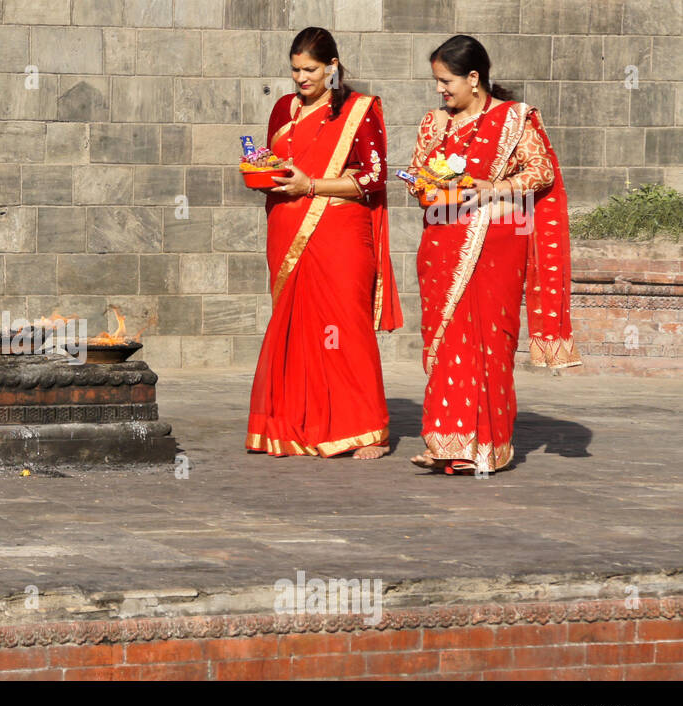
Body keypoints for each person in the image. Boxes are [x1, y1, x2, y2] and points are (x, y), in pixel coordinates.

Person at [405, 34, 581, 475]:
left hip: (496, 244)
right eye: (437, 82)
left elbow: (540, 173)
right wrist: (428, 184)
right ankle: (445, 441)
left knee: (488, 343)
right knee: (447, 346)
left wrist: (494, 187)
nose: (441, 90)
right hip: (442, 246)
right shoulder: (434, 123)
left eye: (447, 81)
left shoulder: (515, 119)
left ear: (473, 77)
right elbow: (416, 177)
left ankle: (483, 447)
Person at [245, 27, 402, 460]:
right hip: (287, 226)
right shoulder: (283, 109)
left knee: (343, 327)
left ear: (332, 66)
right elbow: (275, 163)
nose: (301, 78)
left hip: (339, 232)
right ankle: (296, 427)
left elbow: (373, 177)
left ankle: (365, 430)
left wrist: (312, 185)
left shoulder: (359, 110)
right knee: (294, 328)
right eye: (295, 70)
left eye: (310, 69)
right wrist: (263, 173)